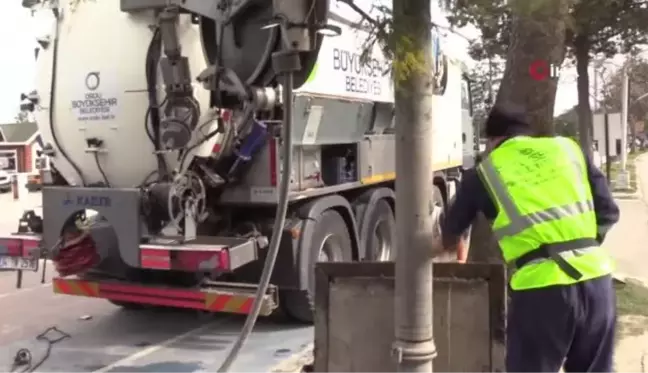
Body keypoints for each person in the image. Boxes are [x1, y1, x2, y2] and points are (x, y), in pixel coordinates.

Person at [440, 103, 620, 373]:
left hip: (542, 291)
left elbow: (451, 232)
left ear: (492, 141)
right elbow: (608, 212)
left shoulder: (484, 173)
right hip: (597, 282)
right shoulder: (570, 150)